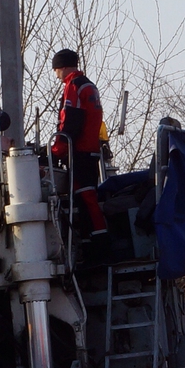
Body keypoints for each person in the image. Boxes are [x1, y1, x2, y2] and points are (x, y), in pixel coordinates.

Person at [49, 49, 108, 246]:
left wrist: (56, 150)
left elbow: (71, 122)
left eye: (56, 69)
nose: (56, 75)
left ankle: (96, 242)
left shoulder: (73, 86)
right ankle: (97, 236)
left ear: (63, 67)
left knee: (83, 194)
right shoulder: (89, 86)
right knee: (88, 193)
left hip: (80, 151)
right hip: (91, 150)